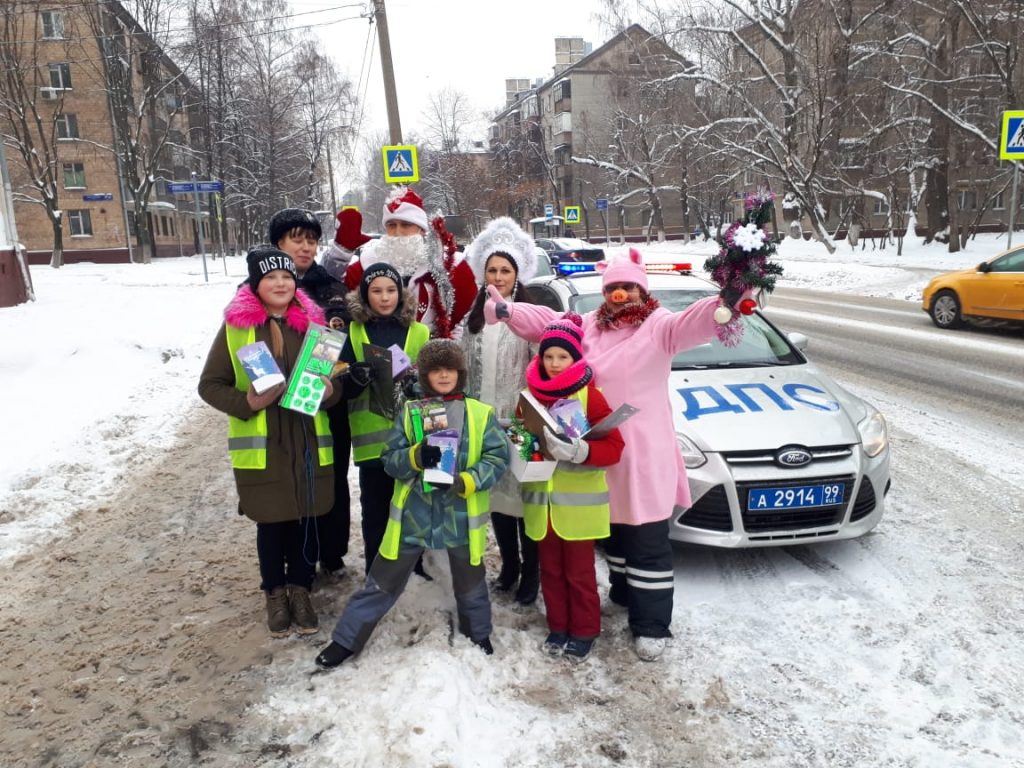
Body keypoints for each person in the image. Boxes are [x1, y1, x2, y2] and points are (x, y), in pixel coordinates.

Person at [484, 248, 748, 661]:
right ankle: (623, 595)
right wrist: (506, 310)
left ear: (641, 290)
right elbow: (546, 326)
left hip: (641, 452)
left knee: (646, 537)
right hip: (587, 452)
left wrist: (725, 301)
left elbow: (692, 322)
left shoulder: (659, 326)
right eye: (613, 288)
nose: (620, 294)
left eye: (628, 287)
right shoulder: (588, 324)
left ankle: (652, 624)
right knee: (609, 535)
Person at [315, 339, 510, 669]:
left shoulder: (480, 413)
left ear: (460, 373)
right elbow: (390, 459)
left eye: (450, 369)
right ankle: (346, 640)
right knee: (382, 581)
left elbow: (497, 456)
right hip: (414, 515)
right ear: (425, 375)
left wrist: (469, 479)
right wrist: (415, 457)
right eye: (436, 370)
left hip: (459, 516)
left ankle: (479, 632)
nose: (444, 376)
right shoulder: (411, 412)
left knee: (470, 580)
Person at [198, 245, 339, 637]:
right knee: (272, 522)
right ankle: (275, 593)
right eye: (271, 278)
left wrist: (330, 392)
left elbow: (335, 388)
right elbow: (209, 385)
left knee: (304, 519)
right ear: (256, 285)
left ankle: (301, 589)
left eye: (287, 277)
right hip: (264, 445)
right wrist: (246, 402)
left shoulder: (317, 330)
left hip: (307, 439)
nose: (280, 283)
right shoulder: (236, 330)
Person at [520, 314, 624, 662]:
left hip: (578, 510)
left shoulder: (590, 397)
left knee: (579, 574)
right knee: (549, 571)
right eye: (548, 356)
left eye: (562, 357)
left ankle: (584, 630)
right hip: (542, 504)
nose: (553, 364)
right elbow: (525, 438)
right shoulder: (530, 397)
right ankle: (558, 626)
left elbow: (614, 447)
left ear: (575, 358)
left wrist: (582, 451)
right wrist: (519, 447)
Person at [268, 208, 351, 581]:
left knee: (330, 476)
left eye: (312, 240)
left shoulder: (330, 287)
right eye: (296, 239)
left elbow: (337, 342)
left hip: (326, 402)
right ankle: (297, 556)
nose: (305, 247)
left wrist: (327, 385)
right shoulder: (258, 288)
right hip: (276, 409)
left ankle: (332, 553)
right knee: (289, 480)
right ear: (278, 244)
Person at [462, 216, 541, 604]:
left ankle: (532, 572)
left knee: (526, 497)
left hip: (524, 425)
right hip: (484, 425)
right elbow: (464, 368)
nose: (498, 276)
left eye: (505, 270)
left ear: (516, 274)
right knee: (497, 498)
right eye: (492, 269)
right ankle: (509, 566)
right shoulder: (472, 319)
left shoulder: (529, 315)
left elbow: (543, 371)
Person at [339, 262, 430, 575]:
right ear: (365, 295)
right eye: (376, 290)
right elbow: (337, 385)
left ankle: (413, 566)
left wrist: (417, 382)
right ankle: (375, 569)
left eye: (391, 290)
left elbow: (433, 386)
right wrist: (353, 378)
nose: (384, 296)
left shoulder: (419, 331)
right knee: (376, 511)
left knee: (411, 506)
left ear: (401, 294)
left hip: (410, 440)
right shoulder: (351, 332)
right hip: (371, 444)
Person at [344, 187, 477, 339]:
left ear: (421, 229)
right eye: (391, 225)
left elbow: (464, 307)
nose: (398, 232)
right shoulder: (366, 265)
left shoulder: (449, 265)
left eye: (406, 225)